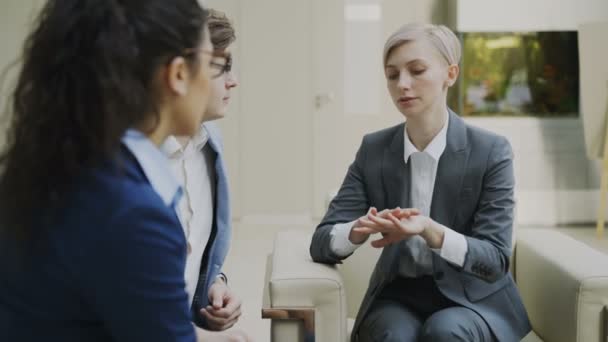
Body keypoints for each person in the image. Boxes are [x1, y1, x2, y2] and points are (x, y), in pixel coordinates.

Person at [0, 1, 250, 341]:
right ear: (177, 75)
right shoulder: (132, 210)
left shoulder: (67, 163)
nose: (229, 81)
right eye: (215, 64)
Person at [310, 23, 531, 342]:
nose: (403, 84)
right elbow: (320, 242)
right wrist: (356, 229)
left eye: (416, 70)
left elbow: (495, 260)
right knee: (394, 336)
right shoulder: (374, 150)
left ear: (450, 74)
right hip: (398, 296)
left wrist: (431, 230)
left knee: (445, 332)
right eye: (392, 74)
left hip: (474, 299)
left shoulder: (491, 152)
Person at [161, 9, 241, 331]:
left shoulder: (211, 144)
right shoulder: (131, 168)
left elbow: (196, 251)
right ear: (180, 74)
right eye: (222, 68)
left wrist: (214, 282)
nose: (233, 81)